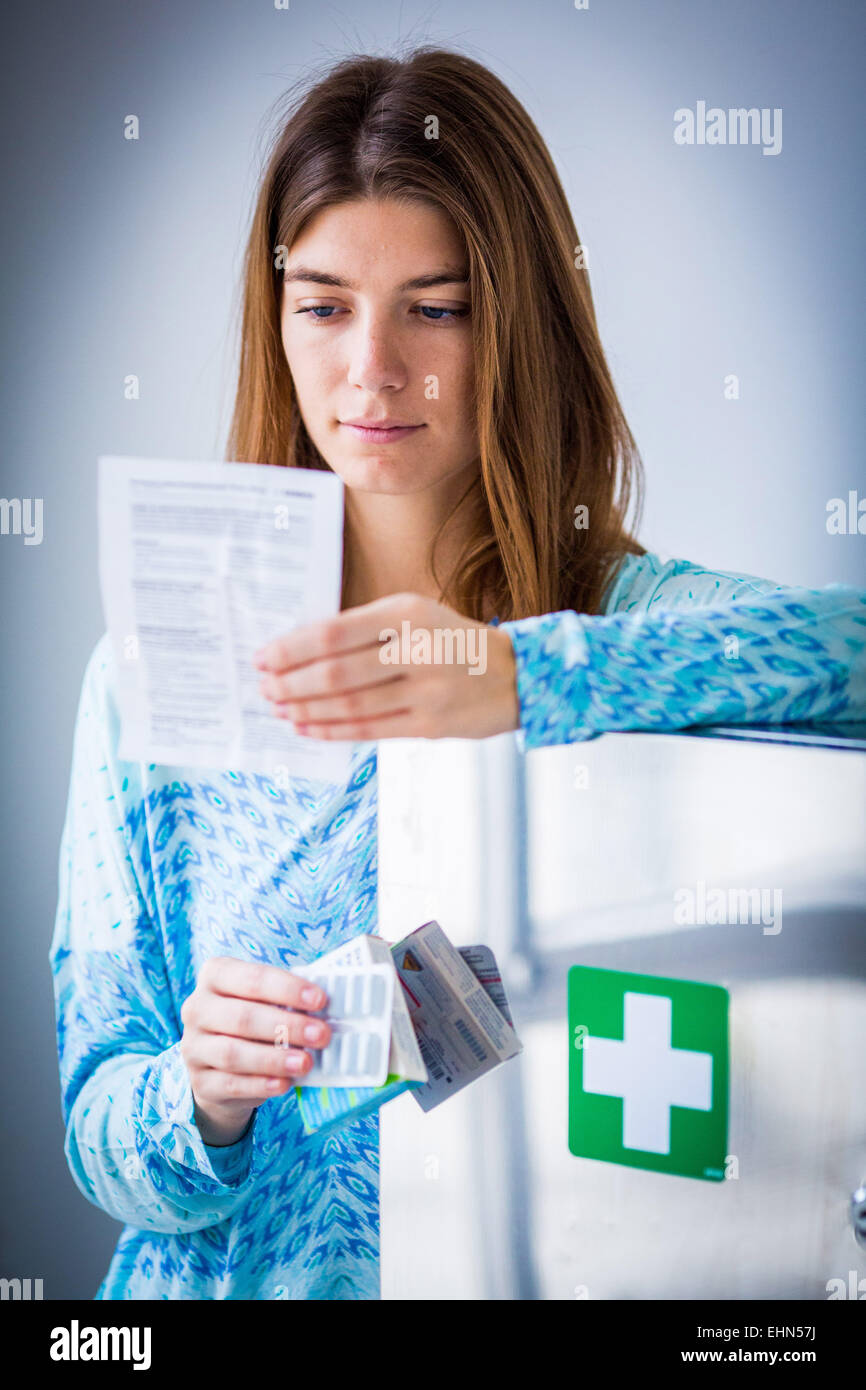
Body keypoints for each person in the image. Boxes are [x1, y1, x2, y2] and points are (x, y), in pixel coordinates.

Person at [50, 45, 865, 1301]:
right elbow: (101, 1133)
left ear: (518, 322)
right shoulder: (161, 667)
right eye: (323, 305)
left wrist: (524, 678)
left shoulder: (616, 628)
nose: (371, 368)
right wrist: (193, 1096)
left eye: (435, 309)